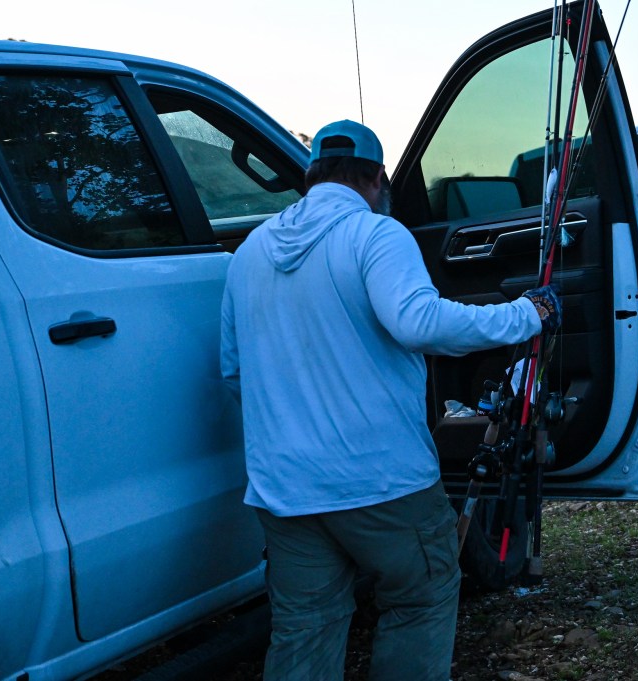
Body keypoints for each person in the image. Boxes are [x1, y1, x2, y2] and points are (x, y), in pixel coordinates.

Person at [220, 119, 561, 681]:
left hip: (284, 489)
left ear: (310, 176)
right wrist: (527, 314)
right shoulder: (376, 235)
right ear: (377, 178)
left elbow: (234, 370)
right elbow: (419, 322)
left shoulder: (250, 252)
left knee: (305, 626)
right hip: (381, 481)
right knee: (423, 594)